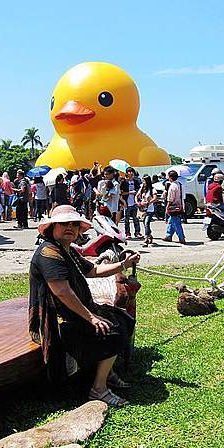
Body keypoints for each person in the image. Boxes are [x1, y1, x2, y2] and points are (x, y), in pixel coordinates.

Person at [29, 205, 140, 407]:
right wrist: (91, 317)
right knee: (112, 332)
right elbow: (62, 292)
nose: (70, 227)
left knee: (123, 319)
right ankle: (98, 389)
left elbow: (94, 270)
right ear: (52, 227)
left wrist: (123, 264)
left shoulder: (67, 250)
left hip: (74, 311)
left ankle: (106, 372)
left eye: (74, 224)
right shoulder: (48, 253)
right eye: (64, 224)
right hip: (58, 319)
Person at [164, 170, 186, 243]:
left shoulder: (172, 186)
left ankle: (181, 237)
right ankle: (168, 235)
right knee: (171, 221)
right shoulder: (179, 184)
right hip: (180, 205)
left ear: (170, 177)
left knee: (176, 223)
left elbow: (170, 198)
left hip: (174, 206)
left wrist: (167, 207)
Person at [120, 167, 142, 239]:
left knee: (136, 218)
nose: (131, 173)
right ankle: (127, 233)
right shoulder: (123, 182)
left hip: (134, 203)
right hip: (126, 203)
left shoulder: (136, 181)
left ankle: (137, 232)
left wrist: (137, 194)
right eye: (129, 172)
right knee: (126, 219)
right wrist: (129, 192)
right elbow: (121, 193)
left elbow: (139, 191)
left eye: (132, 172)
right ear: (127, 173)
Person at [136, 175, 157, 246]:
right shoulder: (142, 188)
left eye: (144, 181)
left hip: (150, 209)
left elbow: (155, 198)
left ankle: (146, 239)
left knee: (147, 223)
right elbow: (136, 196)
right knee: (145, 224)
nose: (143, 182)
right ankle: (150, 235)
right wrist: (137, 202)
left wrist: (148, 202)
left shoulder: (152, 189)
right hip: (143, 209)